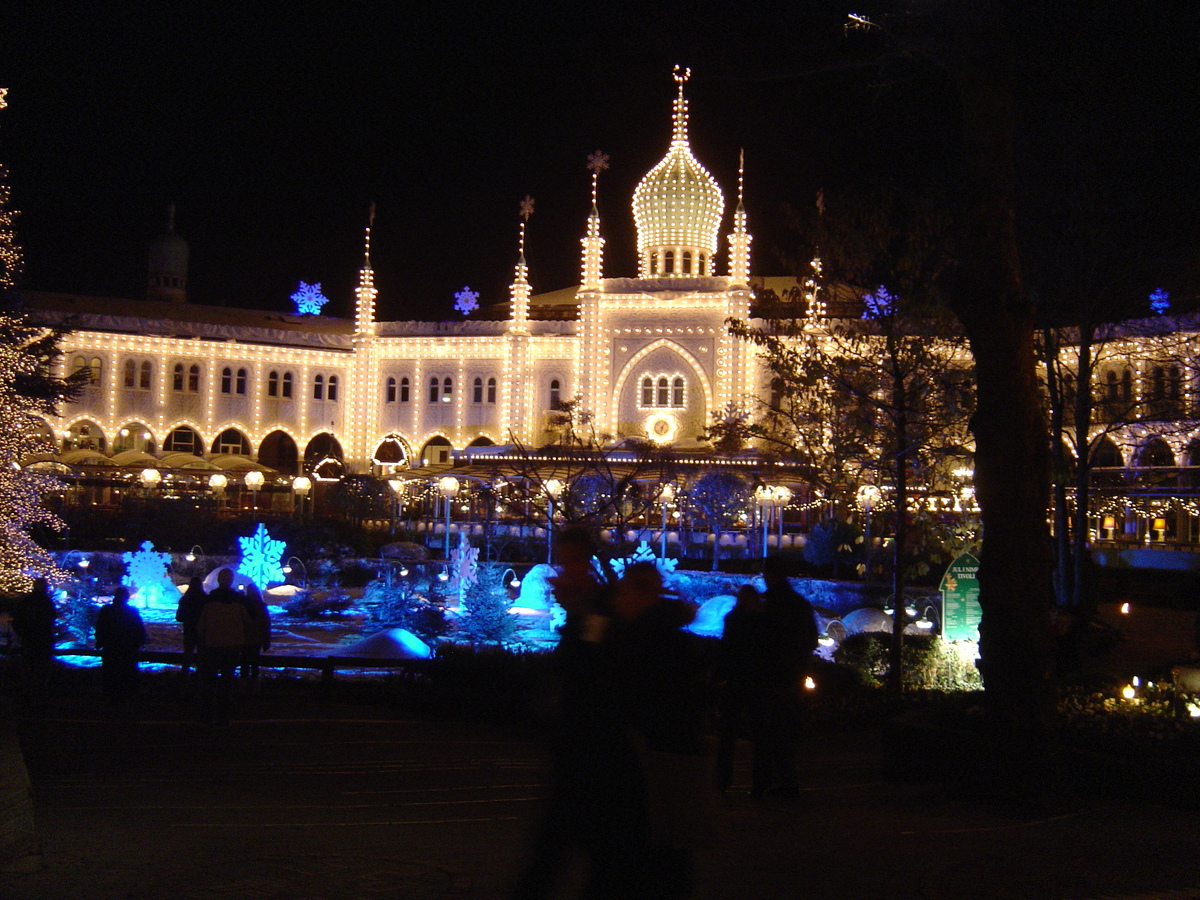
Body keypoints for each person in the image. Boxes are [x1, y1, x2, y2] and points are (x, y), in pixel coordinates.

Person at [509, 526, 645, 900]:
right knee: (589, 850)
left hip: (593, 750)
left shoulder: (601, 611)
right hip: (582, 748)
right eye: (563, 562)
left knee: (567, 847)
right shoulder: (587, 612)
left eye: (572, 562)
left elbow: (596, 674)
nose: (562, 574)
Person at [611, 561, 710, 899]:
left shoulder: (643, 638)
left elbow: (638, 696)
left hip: (654, 756)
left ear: (638, 594)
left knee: (654, 844)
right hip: (675, 754)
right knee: (671, 849)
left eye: (625, 591)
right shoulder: (672, 635)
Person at [756, 556, 818, 799]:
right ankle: (787, 781)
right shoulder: (799, 604)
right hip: (791, 675)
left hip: (768, 676)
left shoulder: (766, 604)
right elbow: (811, 639)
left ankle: (763, 783)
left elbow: (757, 642)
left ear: (769, 575)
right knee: (784, 731)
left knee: (766, 732)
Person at [715, 584, 766, 795]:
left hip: (736, 680)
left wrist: (719, 676)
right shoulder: (761, 622)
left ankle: (723, 780)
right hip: (756, 681)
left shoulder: (732, 619)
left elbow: (726, 650)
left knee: (728, 734)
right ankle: (759, 783)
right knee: (759, 734)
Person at [196, 568, 252, 726]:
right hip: (232, 645)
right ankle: (223, 715)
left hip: (212, 645)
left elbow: (201, 626)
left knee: (209, 682)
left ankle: (206, 714)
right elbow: (248, 622)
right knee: (227, 682)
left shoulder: (208, 601)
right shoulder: (239, 602)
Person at [93, 586, 146, 709]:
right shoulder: (132, 611)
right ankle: (126, 697)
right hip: (128, 647)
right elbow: (138, 628)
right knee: (127, 671)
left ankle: (111, 697)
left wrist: (100, 640)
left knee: (111, 671)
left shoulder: (106, 610)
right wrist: (139, 641)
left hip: (111, 646)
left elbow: (100, 626)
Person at [239, 581, 271, 690]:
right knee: (254, 663)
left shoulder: (243, 605)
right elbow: (266, 624)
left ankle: (243, 685)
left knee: (244, 663)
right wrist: (266, 640)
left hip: (244, 638)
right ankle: (254, 686)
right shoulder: (261, 606)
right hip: (256, 639)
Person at [176, 576, 206, 676]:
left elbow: (179, 617)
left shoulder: (185, 600)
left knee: (188, 653)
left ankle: (185, 674)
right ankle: (201, 674)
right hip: (202, 630)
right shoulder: (205, 599)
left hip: (189, 630)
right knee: (202, 653)